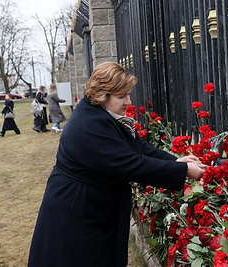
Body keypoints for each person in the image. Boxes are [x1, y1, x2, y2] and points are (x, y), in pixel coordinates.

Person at [28, 62, 206, 266]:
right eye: (122, 96)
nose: (128, 102)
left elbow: (138, 147)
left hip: (91, 206)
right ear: (103, 95)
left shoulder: (100, 115)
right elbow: (131, 164)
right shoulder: (89, 124)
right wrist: (182, 170)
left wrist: (175, 161)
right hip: (76, 211)